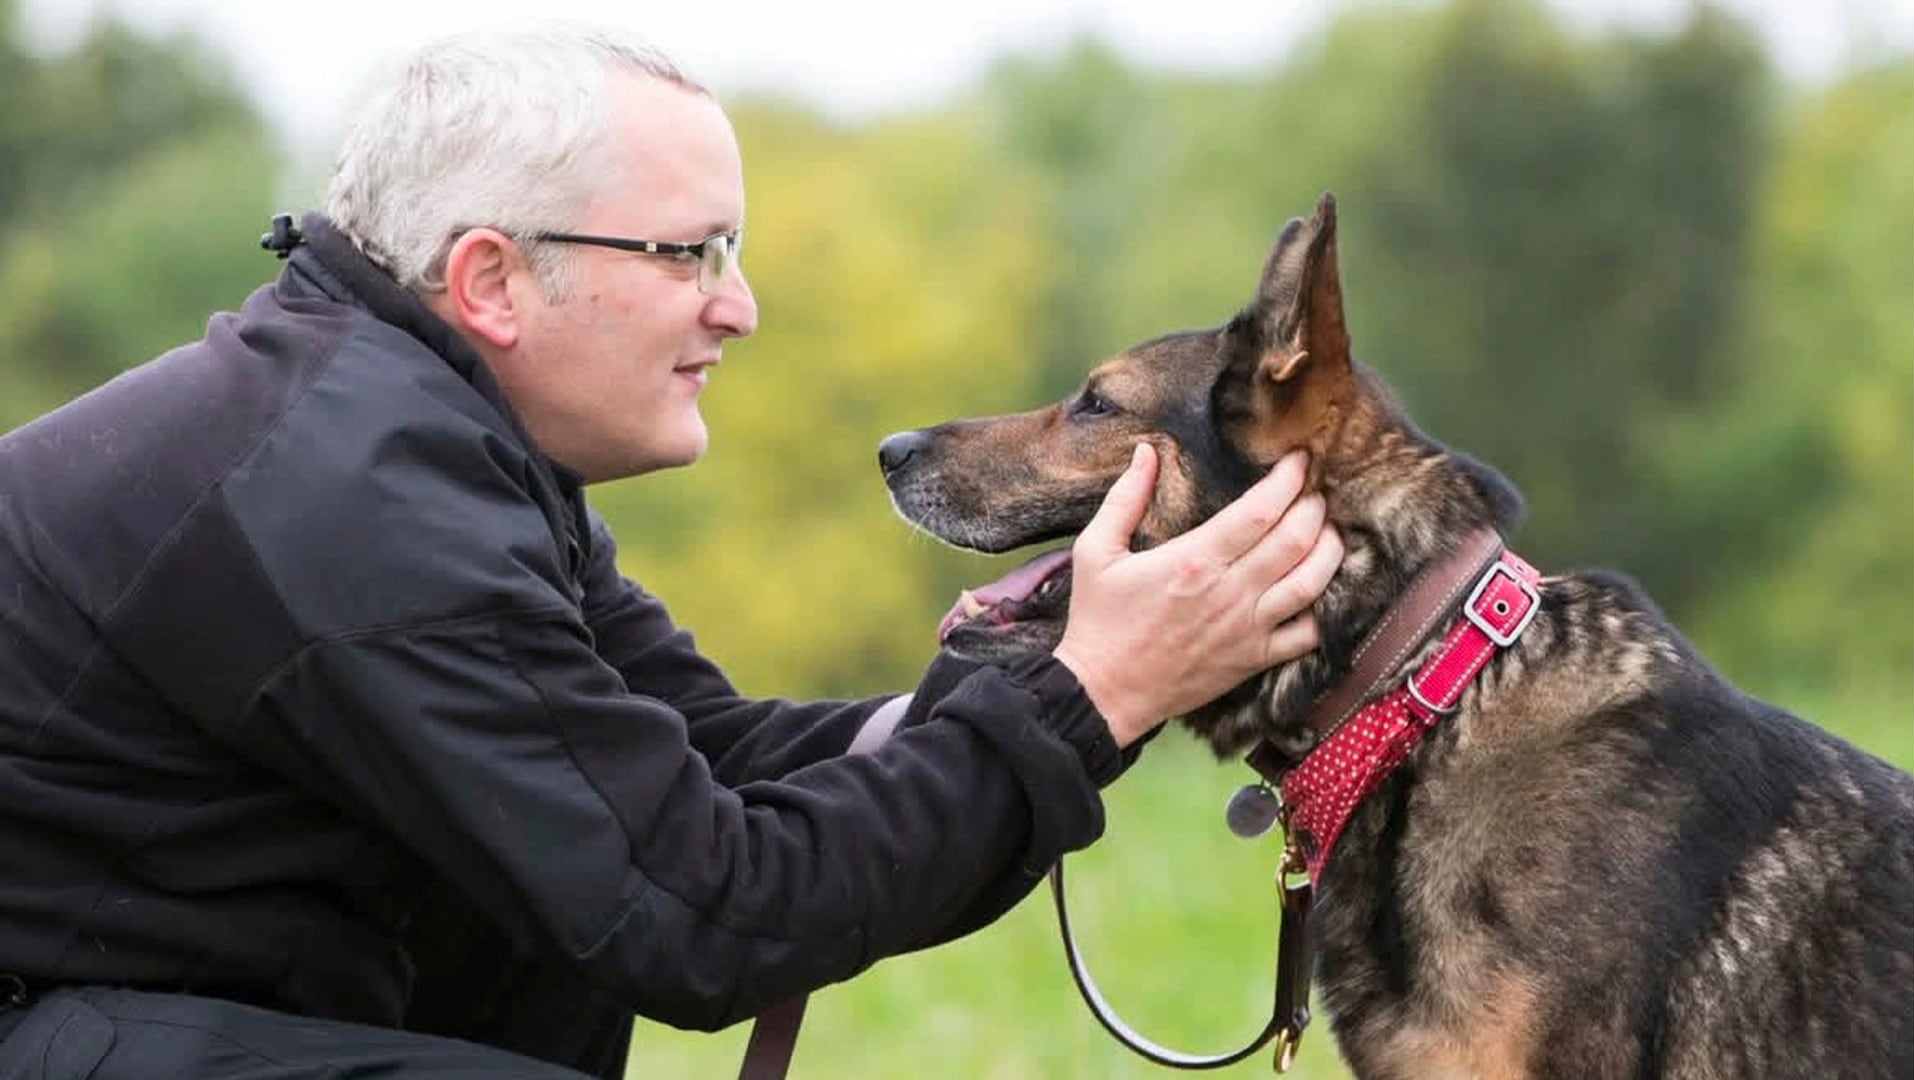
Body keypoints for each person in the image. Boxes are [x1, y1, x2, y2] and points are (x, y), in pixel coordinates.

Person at [0, 21, 1343, 1080]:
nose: (739, 307)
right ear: (489, 283)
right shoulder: (353, 497)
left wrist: (1078, 661)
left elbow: (701, 768)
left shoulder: (423, 439)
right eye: (688, 251)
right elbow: (701, 915)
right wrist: (1090, 696)